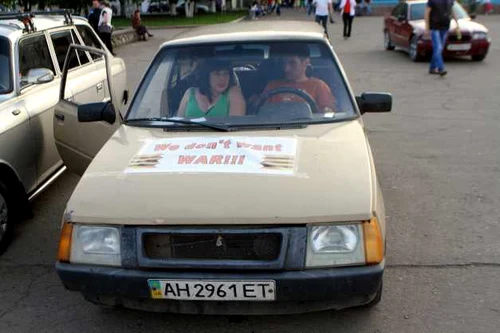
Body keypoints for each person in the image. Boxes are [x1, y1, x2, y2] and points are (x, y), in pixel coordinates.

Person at [263, 45, 336, 113]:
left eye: (292, 63)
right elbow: (262, 113)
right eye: (284, 62)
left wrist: (326, 110)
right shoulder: (271, 86)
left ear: (305, 63)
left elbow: (329, 114)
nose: (286, 69)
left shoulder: (318, 86)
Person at [177, 61, 246, 118]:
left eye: (225, 73)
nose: (222, 78)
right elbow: (178, 124)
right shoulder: (190, 93)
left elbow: (234, 128)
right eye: (216, 74)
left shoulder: (234, 93)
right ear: (206, 76)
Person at [425, 0, 457, 76]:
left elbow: (452, 11)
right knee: (438, 48)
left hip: (445, 26)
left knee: (439, 49)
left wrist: (457, 23)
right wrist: (427, 28)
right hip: (434, 27)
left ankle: (432, 68)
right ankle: (441, 68)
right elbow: (427, 13)